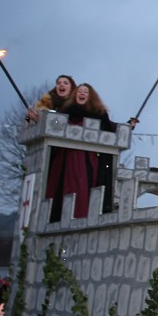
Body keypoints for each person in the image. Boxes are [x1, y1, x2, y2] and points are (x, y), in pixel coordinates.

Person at [45, 83, 118, 221]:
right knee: (59, 187)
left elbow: (109, 129)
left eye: (85, 92)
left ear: (90, 96)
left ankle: (80, 217)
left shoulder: (98, 113)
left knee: (82, 187)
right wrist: (35, 119)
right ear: (75, 95)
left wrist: (127, 125)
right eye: (79, 91)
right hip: (64, 157)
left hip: (85, 158)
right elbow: (52, 126)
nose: (82, 93)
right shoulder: (65, 112)